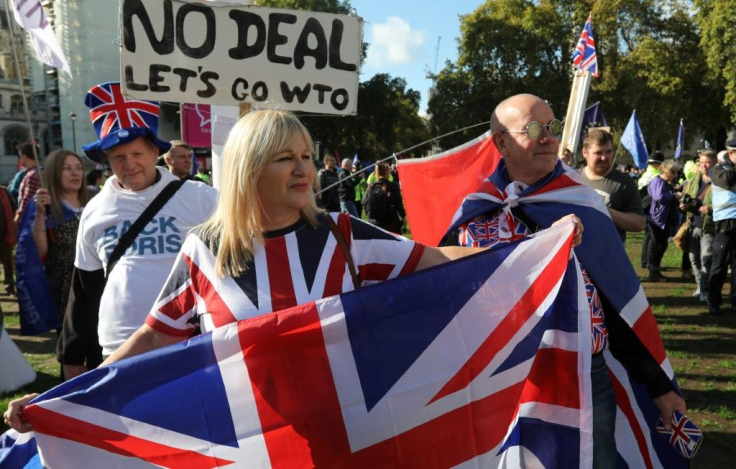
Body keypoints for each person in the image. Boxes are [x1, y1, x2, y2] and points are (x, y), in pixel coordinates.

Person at [3, 109, 488, 430]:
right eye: (284, 158)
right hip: (246, 439)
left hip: (349, 431)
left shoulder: (342, 233)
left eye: (306, 157)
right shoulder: (205, 248)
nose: (304, 170)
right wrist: (65, 397)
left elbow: (438, 260)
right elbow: (151, 338)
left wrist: (537, 248)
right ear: (248, 169)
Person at [445, 94, 685, 468]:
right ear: (501, 143)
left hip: (585, 374)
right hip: (508, 379)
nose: (549, 138)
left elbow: (618, 301)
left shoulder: (582, 201)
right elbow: (447, 298)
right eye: (534, 128)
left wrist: (658, 385)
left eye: (553, 127)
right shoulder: (474, 212)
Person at [55, 81, 217, 380]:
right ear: (106, 160)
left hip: (189, 340)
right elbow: (84, 287)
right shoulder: (95, 209)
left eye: (137, 153)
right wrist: (72, 355)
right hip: (119, 347)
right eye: (118, 156)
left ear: (155, 151)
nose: (129, 165)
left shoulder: (200, 198)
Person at [28, 150, 90, 326]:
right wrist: (40, 215)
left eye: (78, 168)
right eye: (67, 168)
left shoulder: (94, 201)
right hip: (64, 286)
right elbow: (41, 251)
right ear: (55, 173)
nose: (75, 173)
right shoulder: (46, 207)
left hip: (95, 281)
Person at [579, 128, 646, 242]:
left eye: (608, 152)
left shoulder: (625, 182)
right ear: (585, 153)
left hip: (609, 255)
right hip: (576, 254)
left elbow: (639, 223)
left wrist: (604, 210)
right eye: (598, 153)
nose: (604, 157)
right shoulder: (572, 178)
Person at [680, 150, 716, 302]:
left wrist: (710, 209)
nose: (704, 165)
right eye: (701, 162)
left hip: (709, 226)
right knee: (694, 258)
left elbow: (728, 202)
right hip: (693, 224)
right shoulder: (694, 180)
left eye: (707, 162)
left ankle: (706, 290)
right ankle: (700, 286)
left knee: (706, 258)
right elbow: (685, 197)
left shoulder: (720, 181)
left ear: (715, 163)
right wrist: (683, 204)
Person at [707, 139, 736, 315]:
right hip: (725, 222)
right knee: (719, 263)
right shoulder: (719, 169)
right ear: (731, 153)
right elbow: (726, 181)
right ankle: (713, 300)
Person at [646, 159, 683, 282]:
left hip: (664, 218)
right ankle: (653, 271)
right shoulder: (657, 181)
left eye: (676, 172)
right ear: (665, 170)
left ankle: (655, 269)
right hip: (656, 219)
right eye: (673, 171)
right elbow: (659, 197)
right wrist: (674, 195)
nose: (675, 174)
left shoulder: (667, 182)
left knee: (662, 244)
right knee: (657, 244)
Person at [363, 162, 406, 234]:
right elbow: (399, 203)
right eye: (389, 170)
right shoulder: (393, 186)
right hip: (391, 223)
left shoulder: (371, 187)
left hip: (376, 223)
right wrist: (403, 216)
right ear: (386, 172)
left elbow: (364, 202)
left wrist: (370, 218)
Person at [14, 142, 40, 228]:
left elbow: (27, 199)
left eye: (20, 156)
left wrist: (18, 216)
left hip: (31, 219)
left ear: (24, 156)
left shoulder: (32, 175)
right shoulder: (40, 171)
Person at [0, 186, 16, 296]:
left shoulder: (4, 192)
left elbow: (13, 208)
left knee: (7, 262)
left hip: (4, 235)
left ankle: (10, 287)